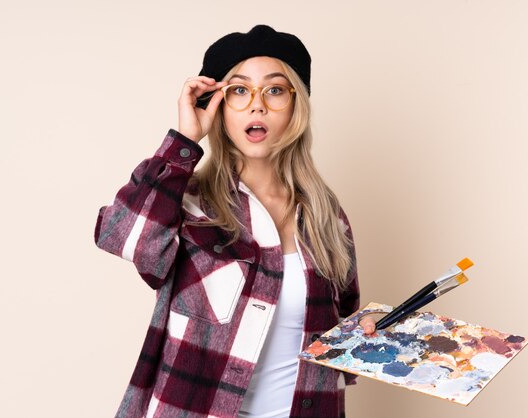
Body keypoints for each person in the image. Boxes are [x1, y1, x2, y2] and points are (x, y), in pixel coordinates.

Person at [94, 24, 376, 418]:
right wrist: (183, 141)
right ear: (219, 106)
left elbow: (339, 331)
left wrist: (373, 331)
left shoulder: (325, 215)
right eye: (239, 90)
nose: (257, 105)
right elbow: (124, 236)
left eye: (275, 90)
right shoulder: (188, 203)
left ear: (297, 106)